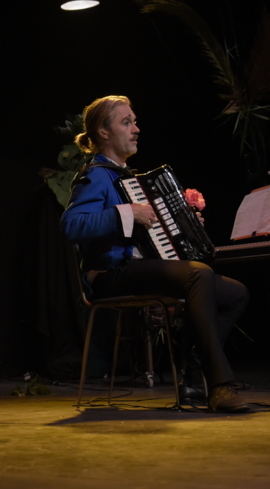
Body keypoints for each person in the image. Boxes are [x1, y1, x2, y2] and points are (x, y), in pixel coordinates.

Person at [61, 95, 252, 412]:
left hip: (136, 269)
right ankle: (219, 385)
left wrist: (186, 224)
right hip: (110, 275)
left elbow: (151, 232)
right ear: (103, 132)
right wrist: (127, 213)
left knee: (235, 294)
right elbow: (71, 225)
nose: (136, 129)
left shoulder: (127, 177)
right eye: (126, 122)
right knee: (198, 274)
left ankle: (192, 378)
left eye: (134, 122)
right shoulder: (96, 175)